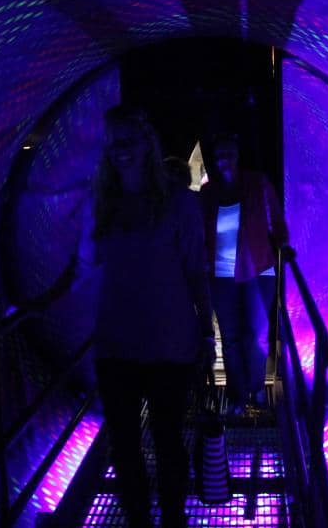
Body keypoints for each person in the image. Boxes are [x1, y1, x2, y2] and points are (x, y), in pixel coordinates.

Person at [78, 106, 214, 528]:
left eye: (130, 140)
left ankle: (173, 519)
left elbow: (197, 272)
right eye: (115, 142)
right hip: (117, 343)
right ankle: (140, 519)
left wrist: (207, 336)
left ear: (147, 145)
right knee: (123, 446)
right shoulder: (101, 206)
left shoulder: (179, 205)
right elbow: (88, 264)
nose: (122, 151)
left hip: (169, 345)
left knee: (168, 440)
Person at [199, 133, 288, 414]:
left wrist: (284, 249)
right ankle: (238, 396)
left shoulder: (256, 183)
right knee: (231, 336)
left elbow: (276, 219)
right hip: (221, 274)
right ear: (214, 160)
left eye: (229, 154)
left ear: (237, 156)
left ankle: (258, 388)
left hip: (258, 269)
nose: (224, 160)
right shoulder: (208, 193)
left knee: (257, 334)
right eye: (219, 156)